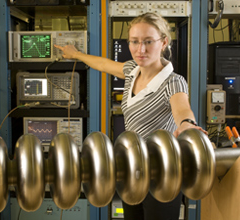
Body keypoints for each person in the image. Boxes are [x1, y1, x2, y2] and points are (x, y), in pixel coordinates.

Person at [55, 12, 207, 220]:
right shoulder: (132, 70)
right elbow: (103, 64)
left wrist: (187, 124)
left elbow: (181, 108)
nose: (140, 49)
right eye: (134, 42)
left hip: (162, 173)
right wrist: (76, 55)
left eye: (148, 42)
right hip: (132, 169)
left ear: (163, 42)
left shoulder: (173, 81)